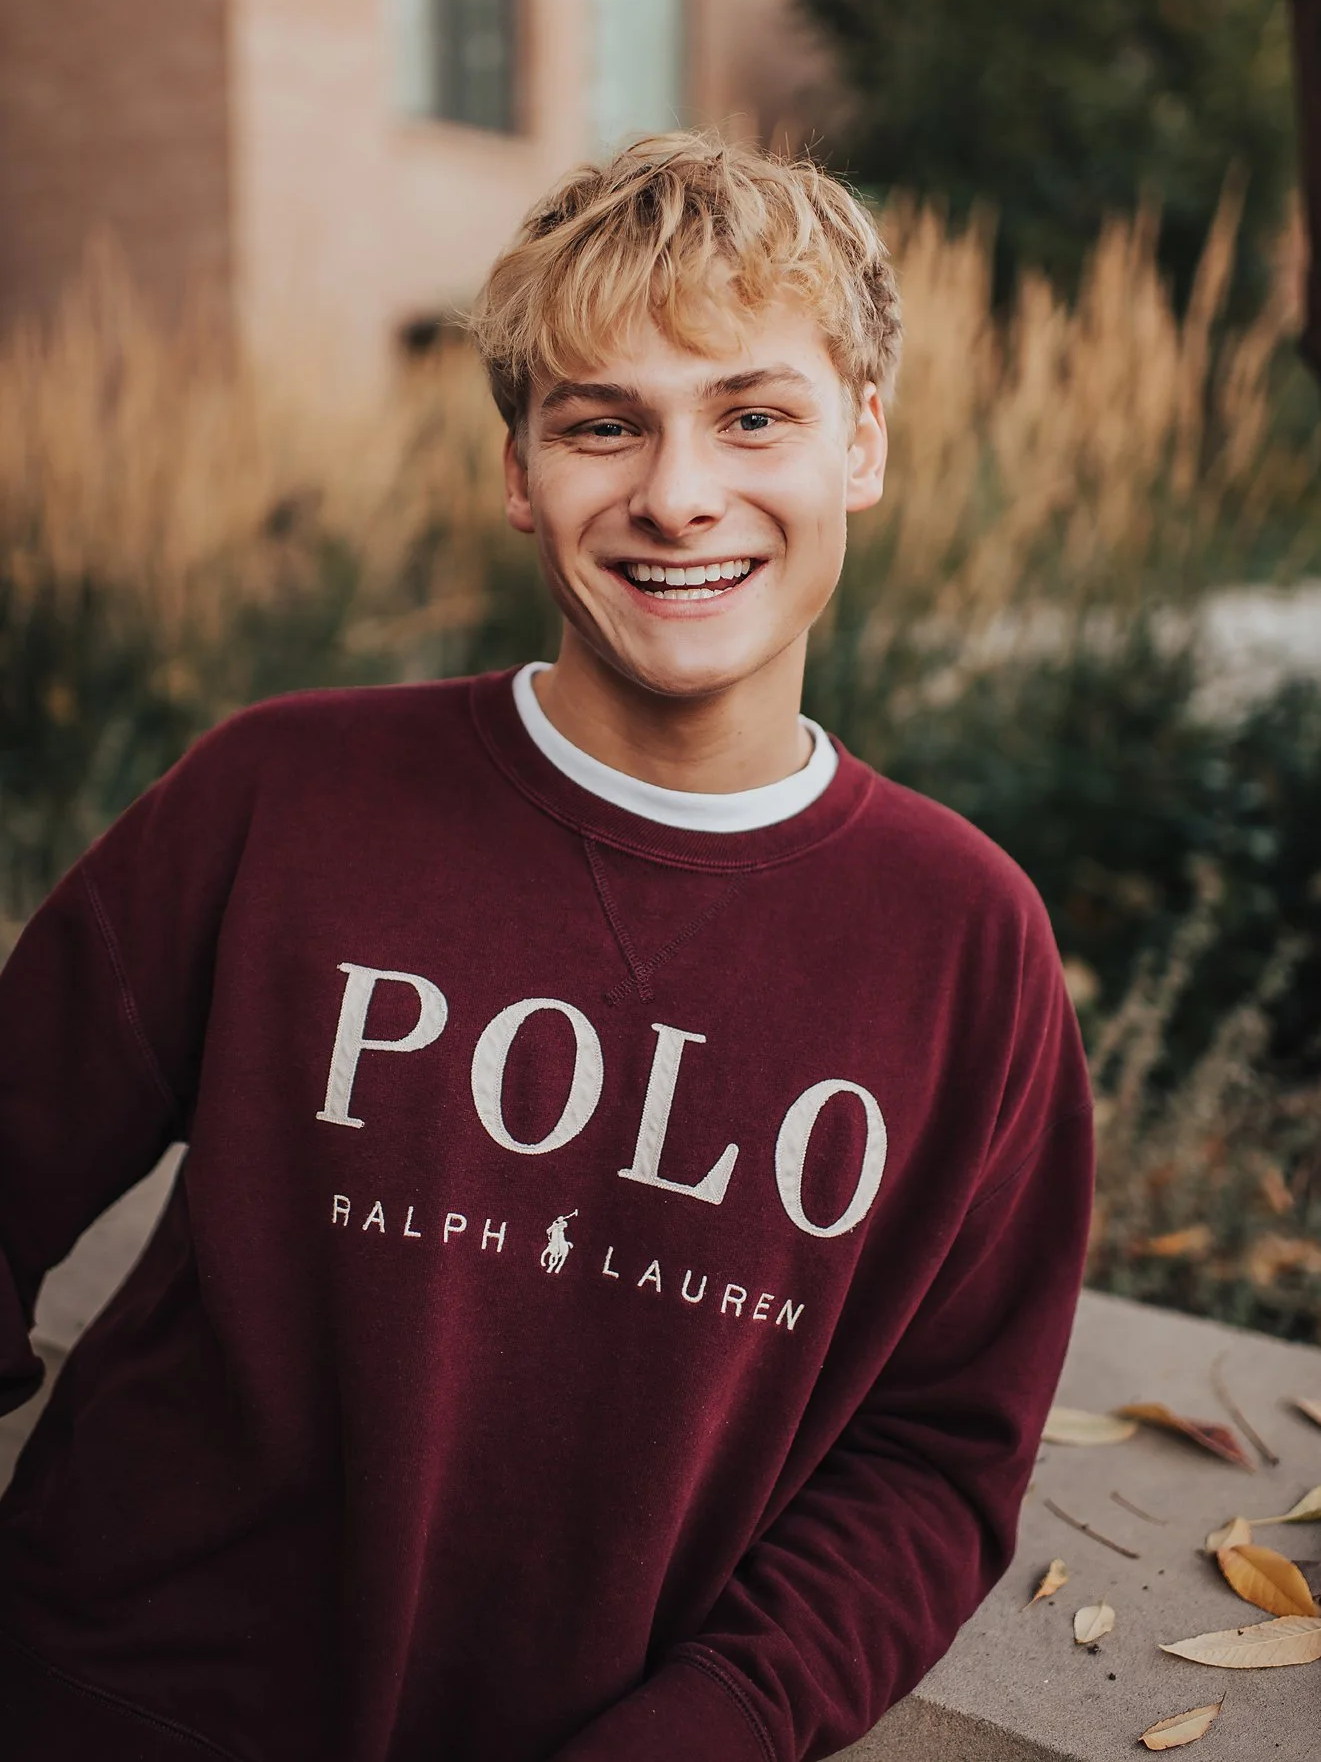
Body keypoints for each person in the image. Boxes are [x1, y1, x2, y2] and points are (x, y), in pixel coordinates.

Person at [0, 133, 1094, 1762]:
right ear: (520, 470)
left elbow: (936, 1459)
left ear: (861, 443)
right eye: (603, 424)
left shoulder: (968, 945)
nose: (677, 494)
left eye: (754, 416)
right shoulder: (280, 794)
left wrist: (712, 1729)